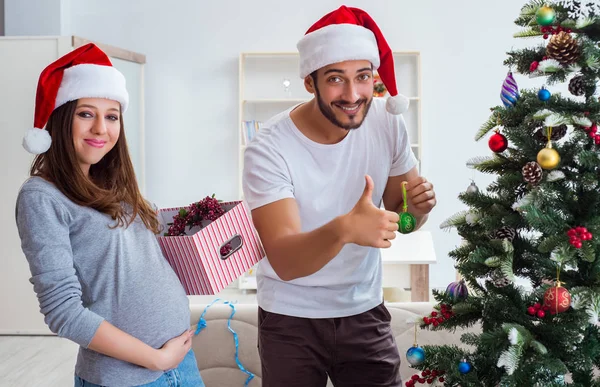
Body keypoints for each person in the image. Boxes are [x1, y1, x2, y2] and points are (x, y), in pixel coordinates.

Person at [242, 6, 437, 387]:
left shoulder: (387, 122)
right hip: (289, 317)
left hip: (363, 308)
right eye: (336, 79)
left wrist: (416, 210)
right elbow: (285, 261)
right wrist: (345, 229)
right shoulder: (268, 148)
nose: (352, 95)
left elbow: (405, 223)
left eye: (363, 77)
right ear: (310, 82)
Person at [15, 43, 204, 387]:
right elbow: (63, 312)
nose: (102, 128)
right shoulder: (42, 196)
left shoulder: (114, 184)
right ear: (60, 119)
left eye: (112, 116)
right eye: (86, 113)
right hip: (128, 377)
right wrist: (156, 358)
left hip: (179, 364)